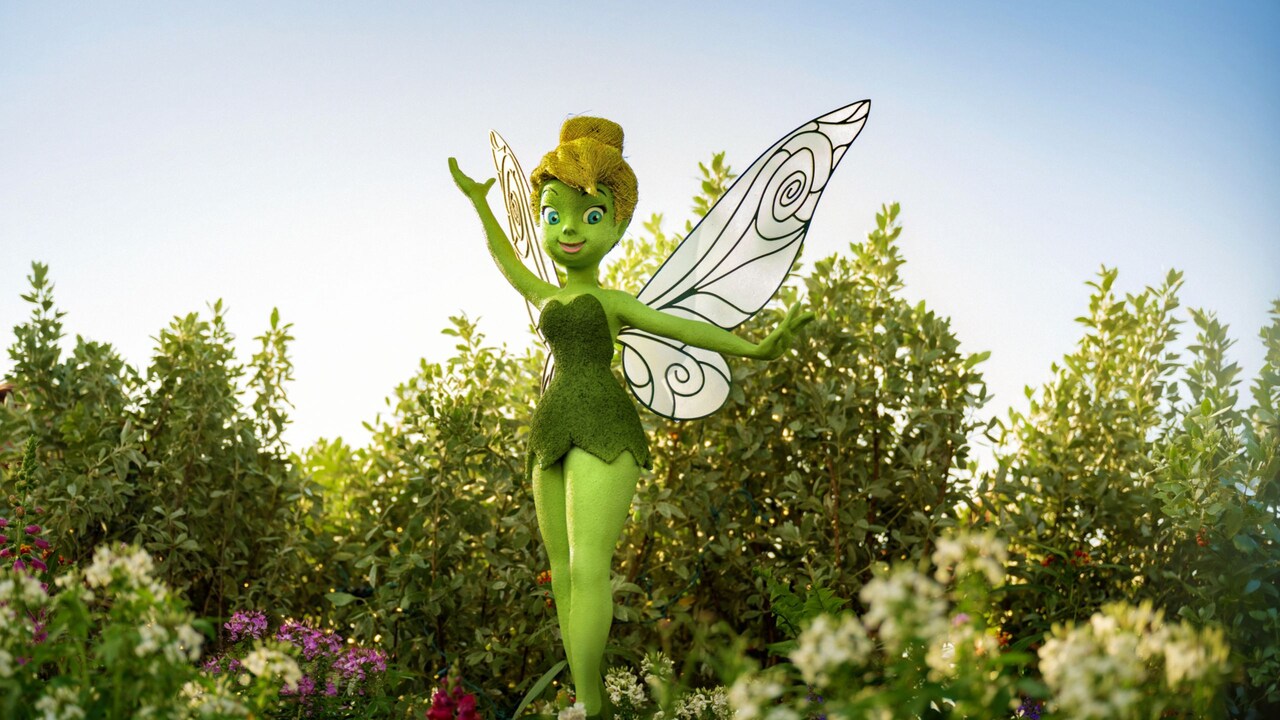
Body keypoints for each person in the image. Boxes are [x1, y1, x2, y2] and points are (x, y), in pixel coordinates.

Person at [448, 116, 810, 714]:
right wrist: (481, 205)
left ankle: (590, 705)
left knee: (589, 565)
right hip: (550, 431)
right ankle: (586, 699)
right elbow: (508, 264)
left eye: (590, 216)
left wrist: (755, 347)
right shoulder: (547, 294)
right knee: (562, 572)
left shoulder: (615, 302)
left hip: (604, 430)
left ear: (616, 229)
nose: (568, 229)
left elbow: (684, 326)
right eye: (554, 211)